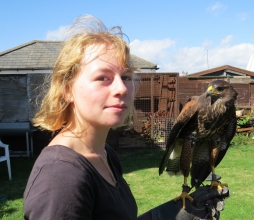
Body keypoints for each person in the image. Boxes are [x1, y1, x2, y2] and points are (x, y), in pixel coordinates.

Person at [23, 14, 229, 220]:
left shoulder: (105, 154)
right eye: (103, 77)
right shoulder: (60, 176)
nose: (121, 88)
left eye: (126, 77)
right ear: (67, 89)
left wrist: (170, 215)